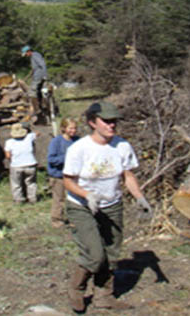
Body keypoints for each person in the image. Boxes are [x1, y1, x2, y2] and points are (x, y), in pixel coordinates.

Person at [62, 101, 153, 312]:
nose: (112, 125)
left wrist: (140, 198)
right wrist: (87, 195)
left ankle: (104, 295)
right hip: (82, 206)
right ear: (92, 122)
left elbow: (128, 176)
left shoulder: (122, 146)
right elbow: (67, 181)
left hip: (112, 205)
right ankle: (76, 289)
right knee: (95, 254)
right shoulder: (79, 149)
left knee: (111, 253)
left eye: (114, 121)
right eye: (107, 121)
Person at [47, 117, 79, 228]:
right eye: (70, 128)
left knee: (75, 198)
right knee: (59, 199)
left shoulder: (77, 140)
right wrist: (67, 158)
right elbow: (51, 159)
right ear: (63, 128)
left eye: (75, 128)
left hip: (74, 175)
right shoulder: (56, 141)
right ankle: (56, 220)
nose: (73, 131)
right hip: (59, 175)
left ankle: (75, 219)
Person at [4, 123, 39, 204]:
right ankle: (32, 198)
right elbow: (38, 133)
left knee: (16, 184)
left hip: (16, 165)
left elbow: (8, 155)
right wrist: (29, 128)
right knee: (31, 183)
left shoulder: (9, 142)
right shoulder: (29, 137)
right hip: (30, 164)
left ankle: (18, 199)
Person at [21, 45, 47, 121]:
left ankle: (37, 109)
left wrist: (45, 76)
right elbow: (34, 69)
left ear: (28, 51)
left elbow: (43, 64)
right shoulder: (33, 57)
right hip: (36, 76)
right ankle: (40, 105)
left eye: (26, 54)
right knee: (37, 92)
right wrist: (26, 78)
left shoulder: (35, 55)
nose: (26, 55)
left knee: (31, 93)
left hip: (39, 77)